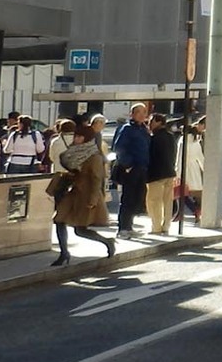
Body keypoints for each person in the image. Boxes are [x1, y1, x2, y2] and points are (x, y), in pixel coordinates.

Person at [50, 120, 115, 265]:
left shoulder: (94, 156)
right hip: (73, 192)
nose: (76, 139)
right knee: (59, 220)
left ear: (87, 138)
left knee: (80, 230)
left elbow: (97, 178)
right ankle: (64, 253)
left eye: (80, 137)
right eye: (76, 136)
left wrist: (93, 200)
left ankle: (107, 242)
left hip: (86, 195)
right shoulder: (72, 152)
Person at [110, 104, 151, 239]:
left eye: (144, 112)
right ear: (132, 114)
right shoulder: (127, 129)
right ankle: (123, 228)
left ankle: (129, 226)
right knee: (127, 198)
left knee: (137, 198)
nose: (141, 114)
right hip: (131, 168)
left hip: (142, 168)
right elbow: (119, 148)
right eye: (138, 112)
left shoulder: (143, 129)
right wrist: (128, 165)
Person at [145, 114, 179, 234]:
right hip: (169, 172)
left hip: (156, 174)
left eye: (151, 121)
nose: (149, 124)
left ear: (158, 122)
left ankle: (156, 227)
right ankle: (166, 227)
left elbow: (151, 156)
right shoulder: (171, 137)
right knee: (167, 201)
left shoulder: (154, 138)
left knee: (154, 202)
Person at [181, 117, 207, 219]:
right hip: (194, 169)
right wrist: (206, 170)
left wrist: (177, 172)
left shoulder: (183, 141)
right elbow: (200, 158)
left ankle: (194, 210)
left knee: (181, 193)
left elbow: (180, 158)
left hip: (184, 168)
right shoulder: (196, 142)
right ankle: (197, 211)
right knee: (196, 193)